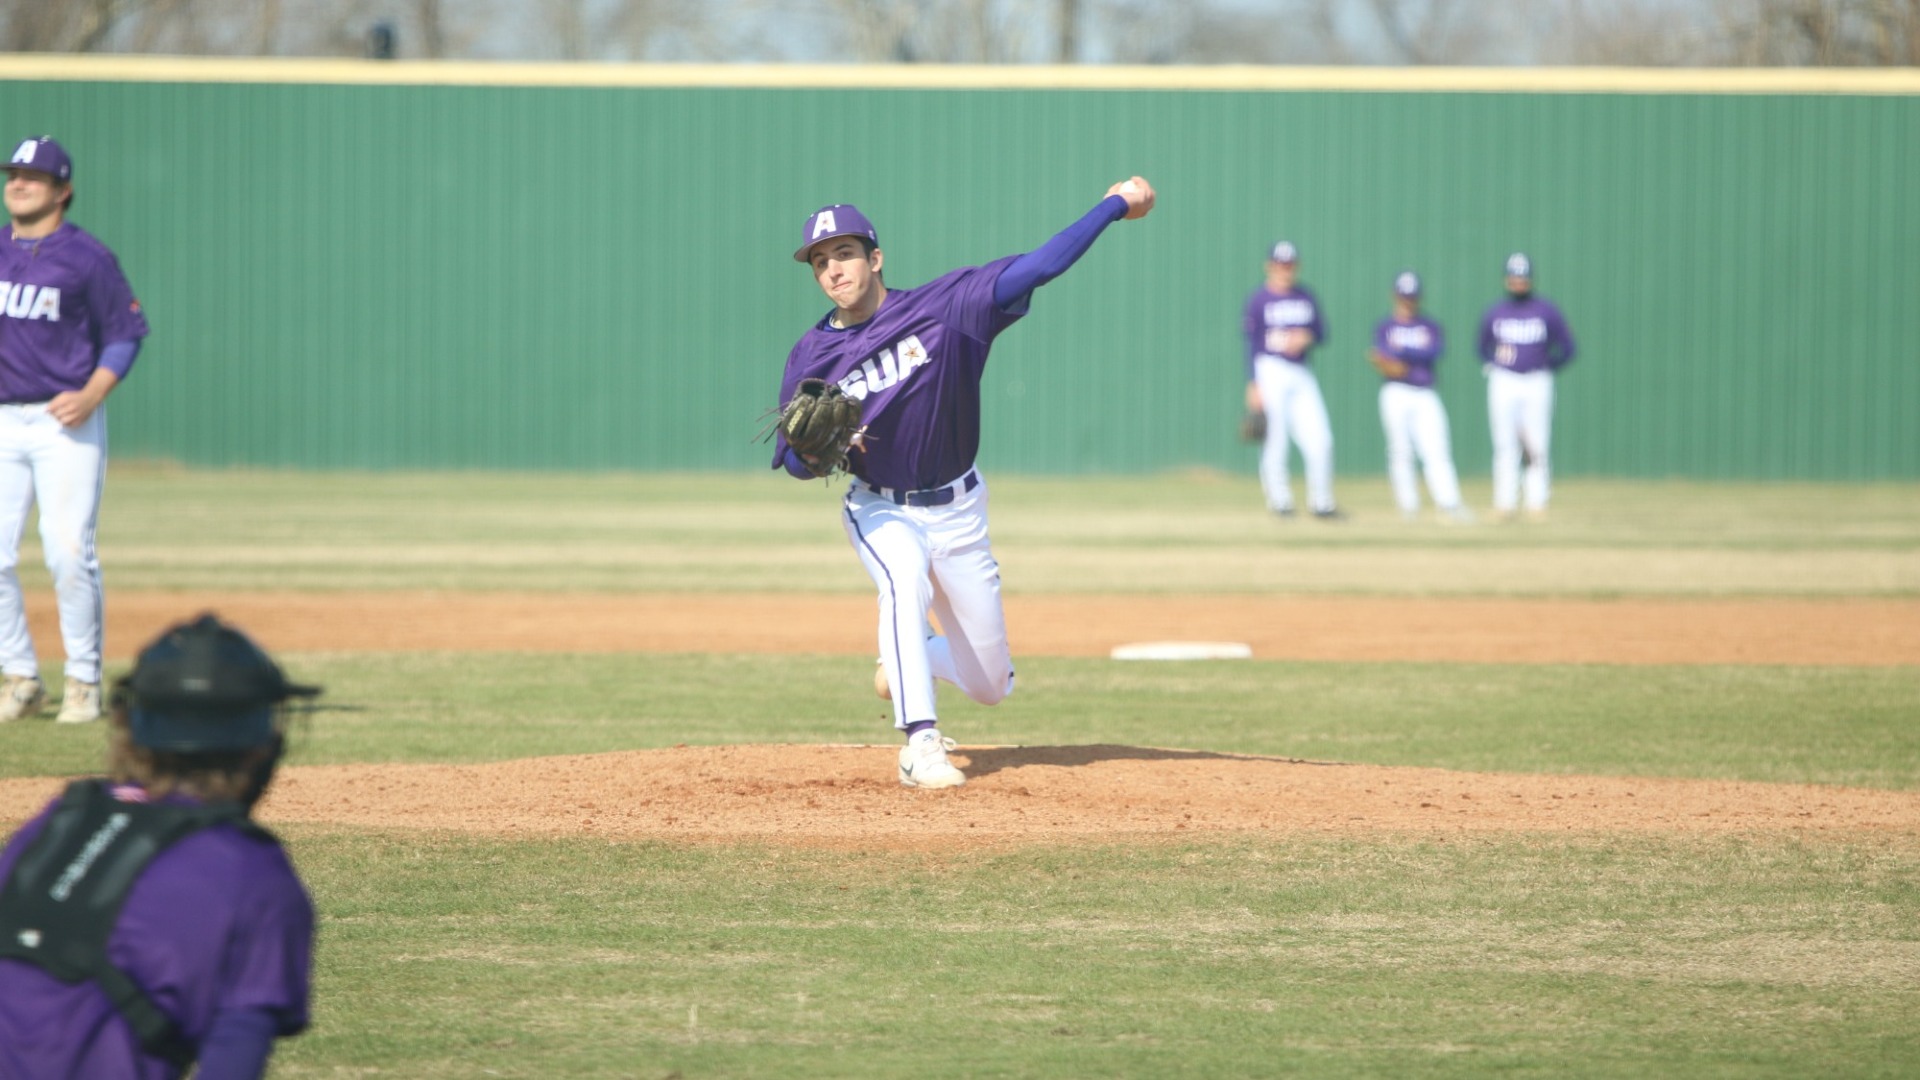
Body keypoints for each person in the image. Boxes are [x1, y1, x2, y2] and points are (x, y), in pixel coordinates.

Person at [774, 178, 1156, 788]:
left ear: (875, 259)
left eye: (844, 253)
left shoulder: (945, 309)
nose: (831, 269)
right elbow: (791, 461)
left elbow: (1038, 267)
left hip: (959, 509)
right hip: (880, 507)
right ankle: (919, 745)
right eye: (819, 260)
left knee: (990, 686)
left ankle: (909, 660)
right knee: (902, 582)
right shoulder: (813, 353)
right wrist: (816, 455)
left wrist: (1113, 205)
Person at [0, 613, 319, 1079]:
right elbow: (234, 1052)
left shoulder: (61, 821)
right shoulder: (254, 871)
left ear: (131, 725)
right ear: (259, 746)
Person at [0, 136, 152, 723]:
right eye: (13, 174)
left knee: (67, 553)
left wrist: (93, 392)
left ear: (63, 190)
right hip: (4, 420)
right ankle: (20, 676)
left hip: (64, 420)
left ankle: (83, 680)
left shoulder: (87, 257)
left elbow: (125, 333)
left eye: (32, 177)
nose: (18, 183)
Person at [1243, 240, 1341, 520]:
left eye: (1289, 264)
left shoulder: (1305, 297)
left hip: (1300, 370)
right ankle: (1280, 501)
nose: (1285, 269)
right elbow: (1249, 343)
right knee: (1275, 439)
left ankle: (1322, 503)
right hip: (1269, 368)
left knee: (1321, 438)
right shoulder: (1259, 299)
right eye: (1280, 264)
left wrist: (1307, 336)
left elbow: (1322, 332)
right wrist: (1253, 383)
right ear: (1269, 266)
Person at [1477, 252, 1575, 520]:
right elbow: (1481, 346)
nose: (1518, 282)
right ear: (1506, 279)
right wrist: (1493, 363)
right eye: (1514, 277)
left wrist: (1548, 366)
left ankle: (1537, 502)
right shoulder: (1497, 312)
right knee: (1504, 442)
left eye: (1523, 277)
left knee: (1537, 442)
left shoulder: (1545, 310)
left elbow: (1568, 347)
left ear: (1530, 279)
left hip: (1536, 379)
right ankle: (1504, 503)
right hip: (1505, 379)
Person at [1370, 271, 1472, 523]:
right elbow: (1382, 357)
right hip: (1395, 391)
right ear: (1394, 296)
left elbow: (1435, 352)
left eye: (1412, 297)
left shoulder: (1430, 326)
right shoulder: (1385, 326)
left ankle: (1449, 503)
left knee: (1436, 448)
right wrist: (1405, 357)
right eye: (1403, 296)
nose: (1408, 301)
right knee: (1400, 450)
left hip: (1425, 391)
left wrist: (1403, 352)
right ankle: (1408, 507)